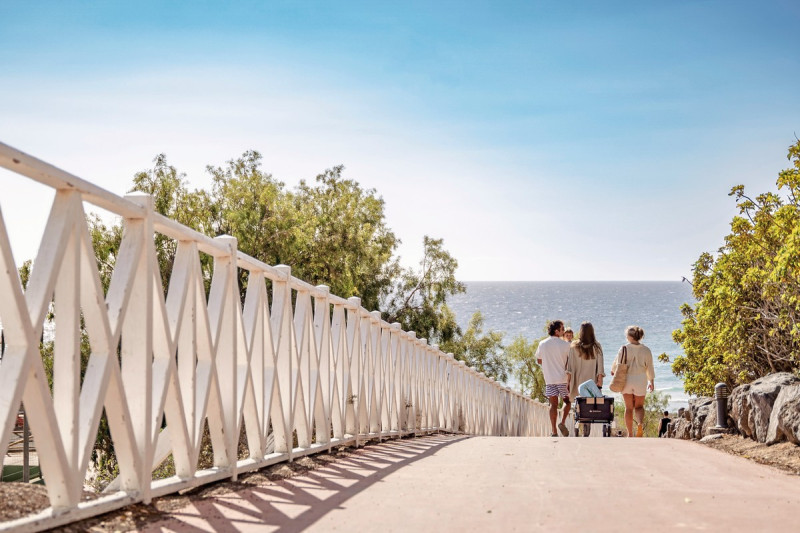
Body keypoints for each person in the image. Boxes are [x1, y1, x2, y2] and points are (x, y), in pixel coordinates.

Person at [611, 325, 655, 438]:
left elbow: (617, 364)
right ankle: (639, 424)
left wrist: (613, 371)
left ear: (630, 337)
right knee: (639, 407)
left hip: (627, 379)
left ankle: (630, 433)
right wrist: (651, 381)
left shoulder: (624, 348)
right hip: (640, 379)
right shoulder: (646, 350)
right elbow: (650, 367)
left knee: (629, 408)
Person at [565, 322, 605, 436]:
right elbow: (600, 366)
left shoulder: (574, 346)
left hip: (577, 381)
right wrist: (600, 381)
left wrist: (568, 383)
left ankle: (578, 426)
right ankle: (587, 430)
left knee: (578, 405)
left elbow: (570, 367)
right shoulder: (597, 346)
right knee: (590, 406)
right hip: (591, 382)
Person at [535, 320, 571, 437]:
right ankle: (563, 422)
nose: (564, 330)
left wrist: (549, 364)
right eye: (562, 328)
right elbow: (569, 362)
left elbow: (539, 360)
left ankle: (554, 431)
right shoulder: (566, 345)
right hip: (563, 379)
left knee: (553, 405)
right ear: (557, 331)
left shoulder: (542, 344)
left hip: (549, 379)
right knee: (567, 402)